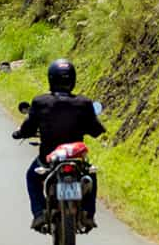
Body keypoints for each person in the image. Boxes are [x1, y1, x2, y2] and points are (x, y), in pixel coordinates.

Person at [12, 58, 105, 232]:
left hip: (48, 159)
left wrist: (19, 133)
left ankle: (39, 213)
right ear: (73, 79)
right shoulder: (84, 103)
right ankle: (88, 214)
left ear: (51, 78)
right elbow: (96, 130)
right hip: (76, 159)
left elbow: (28, 127)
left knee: (32, 177)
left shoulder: (40, 102)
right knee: (90, 176)